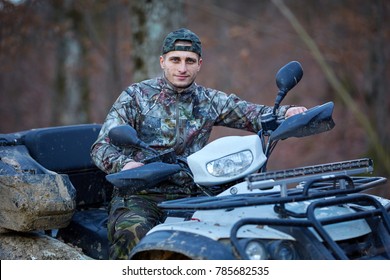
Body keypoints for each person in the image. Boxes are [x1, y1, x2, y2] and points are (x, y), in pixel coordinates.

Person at [90, 28, 307, 259]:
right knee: (133, 233)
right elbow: (101, 147)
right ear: (163, 62)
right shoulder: (136, 96)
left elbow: (255, 114)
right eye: (175, 60)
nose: (182, 68)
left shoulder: (209, 100)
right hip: (143, 193)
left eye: (189, 61)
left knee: (241, 232)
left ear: (199, 64)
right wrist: (125, 165)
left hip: (196, 191)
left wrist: (286, 113)